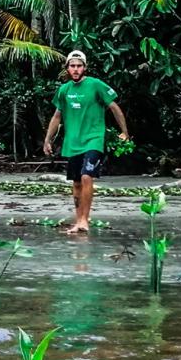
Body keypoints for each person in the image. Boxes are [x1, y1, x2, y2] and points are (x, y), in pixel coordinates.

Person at [42, 51, 129, 234]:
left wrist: (124, 132)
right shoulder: (64, 90)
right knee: (76, 184)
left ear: (84, 67)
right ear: (67, 68)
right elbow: (57, 116)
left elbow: (114, 107)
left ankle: (84, 220)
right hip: (72, 142)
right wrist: (47, 140)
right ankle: (78, 220)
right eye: (72, 66)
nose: (75, 69)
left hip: (93, 139)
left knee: (87, 176)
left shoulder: (95, 85)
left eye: (79, 65)